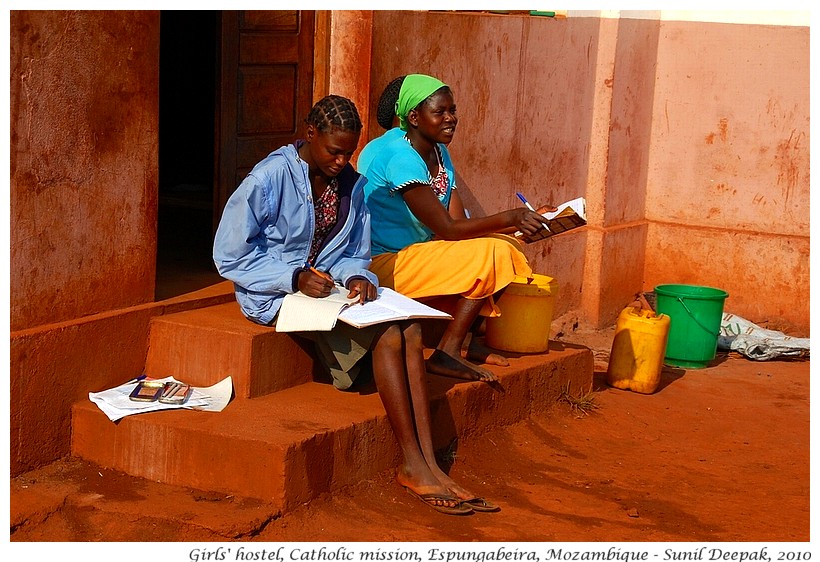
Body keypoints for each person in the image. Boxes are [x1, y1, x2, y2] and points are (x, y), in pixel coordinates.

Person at [213, 94, 498, 515]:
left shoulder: (351, 183)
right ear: (311, 134)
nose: (342, 161)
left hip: (330, 292)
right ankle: (413, 464)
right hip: (274, 295)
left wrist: (358, 275)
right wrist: (292, 277)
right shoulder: (269, 177)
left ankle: (430, 464)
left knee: (412, 327)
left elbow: (353, 250)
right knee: (387, 334)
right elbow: (229, 255)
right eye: (334, 151)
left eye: (349, 152)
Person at [358, 74, 554, 382]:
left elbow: (458, 223)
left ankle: (463, 342)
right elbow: (448, 228)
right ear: (414, 117)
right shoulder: (399, 155)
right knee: (493, 252)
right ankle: (447, 352)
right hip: (383, 264)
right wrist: (511, 218)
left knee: (507, 247)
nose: (451, 119)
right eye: (441, 112)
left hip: (417, 253)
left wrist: (527, 222)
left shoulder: (438, 151)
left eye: (453, 110)